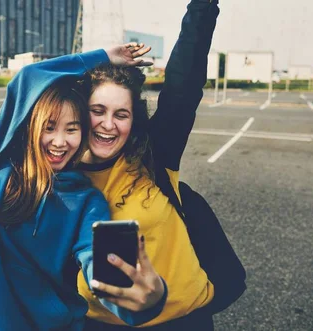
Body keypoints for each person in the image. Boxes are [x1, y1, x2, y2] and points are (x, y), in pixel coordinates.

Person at [0, 45, 167, 331]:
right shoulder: (1, 169)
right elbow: (28, 77)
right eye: (49, 127)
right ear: (31, 128)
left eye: (72, 128)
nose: (59, 141)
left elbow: (100, 264)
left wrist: (140, 295)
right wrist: (101, 57)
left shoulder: (89, 200)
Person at [74, 1, 244, 330]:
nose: (108, 124)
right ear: (80, 112)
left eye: (120, 114)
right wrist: (97, 58)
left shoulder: (152, 157)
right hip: (97, 324)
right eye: (98, 110)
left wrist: (203, 7)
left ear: (133, 121)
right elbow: (25, 89)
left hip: (182, 321)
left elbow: (184, 82)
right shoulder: (59, 174)